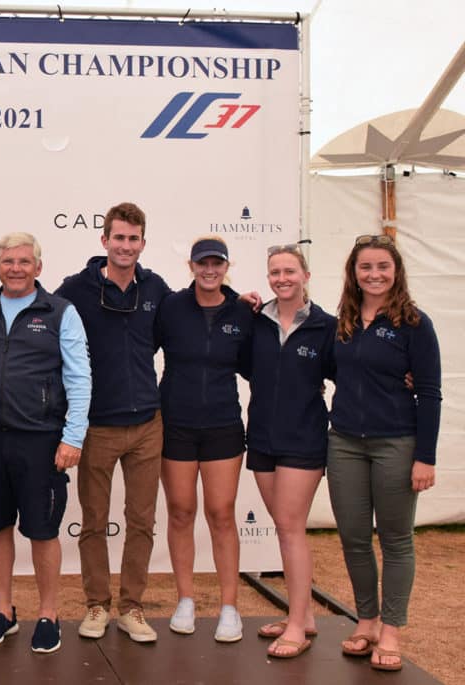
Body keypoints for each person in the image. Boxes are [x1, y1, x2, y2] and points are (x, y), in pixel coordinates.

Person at [0, 232, 91, 655]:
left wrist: (73, 437)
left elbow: (79, 377)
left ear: (39, 267)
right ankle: (4, 611)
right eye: (8, 261)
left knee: (42, 530)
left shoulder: (60, 312)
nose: (16, 268)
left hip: (41, 440)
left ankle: (49, 614)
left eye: (24, 261)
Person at [55, 202, 171, 643]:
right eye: (118, 238)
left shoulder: (156, 288)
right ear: (104, 240)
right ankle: (97, 605)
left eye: (133, 239)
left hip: (147, 423)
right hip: (96, 425)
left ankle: (133, 607)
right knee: (94, 522)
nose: (125, 246)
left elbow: (176, 329)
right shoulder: (76, 289)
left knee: (141, 520)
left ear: (143, 242)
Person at [328, 234, 441, 672]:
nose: (374, 274)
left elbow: (429, 393)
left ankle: (391, 630)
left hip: (397, 443)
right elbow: (327, 369)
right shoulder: (345, 320)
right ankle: (368, 621)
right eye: (365, 267)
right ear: (353, 273)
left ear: (396, 272)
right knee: (354, 538)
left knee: (395, 540)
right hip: (344, 443)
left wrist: (425, 457)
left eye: (382, 266)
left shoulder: (415, 324)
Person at [156, 235, 252, 643]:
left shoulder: (244, 311)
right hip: (175, 423)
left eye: (217, 263)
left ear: (226, 267)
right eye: (202, 264)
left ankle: (230, 608)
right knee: (180, 511)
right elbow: (134, 346)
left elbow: (262, 364)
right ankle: (186, 600)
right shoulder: (171, 307)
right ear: (191, 267)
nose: (209, 270)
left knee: (222, 512)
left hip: (223, 424)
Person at [243, 243, 336, 658]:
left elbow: (351, 374)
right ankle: (305, 616)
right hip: (261, 438)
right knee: (284, 528)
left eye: (289, 271)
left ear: (306, 276)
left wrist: (404, 378)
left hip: (304, 441)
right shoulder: (255, 322)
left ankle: (296, 624)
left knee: (290, 528)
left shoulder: (326, 327)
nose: (282, 278)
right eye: (275, 272)